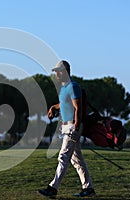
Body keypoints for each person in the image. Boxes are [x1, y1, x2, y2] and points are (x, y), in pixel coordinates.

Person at [38, 60, 96, 198]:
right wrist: (54, 107)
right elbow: (64, 103)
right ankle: (88, 188)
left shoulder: (73, 86)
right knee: (76, 160)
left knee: (63, 157)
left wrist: (76, 126)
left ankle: (53, 188)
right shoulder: (64, 88)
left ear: (66, 71)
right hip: (67, 126)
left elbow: (78, 107)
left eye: (59, 71)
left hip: (72, 126)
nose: (57, 74)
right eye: (56, 71)